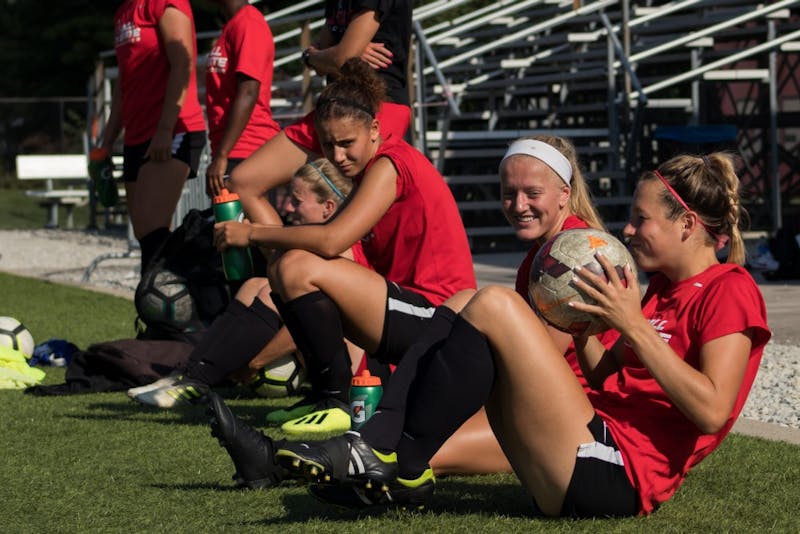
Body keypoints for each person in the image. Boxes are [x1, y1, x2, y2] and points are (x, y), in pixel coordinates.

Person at [270, 151, 770, 517]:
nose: (630, 230)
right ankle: (381, 451)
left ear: (686, 223)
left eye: (642, 219)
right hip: (584, 443)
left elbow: (710, 411)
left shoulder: (731, 289)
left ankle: (389, 454)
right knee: (471, 302)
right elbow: (601, 373)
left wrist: (632, 324)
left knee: (495, 303)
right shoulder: (659, 288)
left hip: (616, 473)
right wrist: (582, 323)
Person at [204, 134, 619, 488]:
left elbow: (537, 360)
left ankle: (273, 456)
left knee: (415, 448)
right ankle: (277, 456)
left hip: (565, 420)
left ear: (564, 194)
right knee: (404, 429)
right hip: (526, 403)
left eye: (532, 193)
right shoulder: (546, 250)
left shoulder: (576, 252)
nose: (518, 204)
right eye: (509, 193)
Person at [213, 58, 476, 436]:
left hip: (441, 317)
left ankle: (336, 400)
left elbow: (333, 238)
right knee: (286, 266)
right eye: (328, 144)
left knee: (296, 267)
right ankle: (328, 396)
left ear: (374, 129)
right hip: (408, 307)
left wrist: (252, 234)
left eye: (346, 143)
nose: (337, 156)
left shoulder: (391, 163)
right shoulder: (370, 170)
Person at [127, 159, 365, 410]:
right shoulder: (321, 241)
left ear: (328, 207)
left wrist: (254, 363)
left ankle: (197, 379)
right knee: (255, 284)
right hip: (331, 355)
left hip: (357, 369)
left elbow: (313, 325)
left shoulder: (342, 248)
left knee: (270, 291)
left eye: (297, 201)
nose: (288, 207)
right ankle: (190, 375)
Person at [227, 0, 412, 230]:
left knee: (356, 224)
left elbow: (340, 57)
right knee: (242, 181)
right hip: (334, 110)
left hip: (379, 107)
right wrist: (328, 54)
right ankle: (282, 261)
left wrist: (321, 55)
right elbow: (333, 53)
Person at [99, 0, 207, 273]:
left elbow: (182, 64)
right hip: (136, 136)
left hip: (172, 130)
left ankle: (182, 301)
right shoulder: (123, 11)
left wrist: (164, 130)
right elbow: (125, 85)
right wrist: (107, 143)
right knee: (147, 234)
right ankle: (171, 307)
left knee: (152, 232)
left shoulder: (165, 3)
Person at [204, 0, 281, 198]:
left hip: (247, 150)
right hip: (233, 150)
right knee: (228, 227)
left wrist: (222, 156)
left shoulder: (249, 22)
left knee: (244, 228)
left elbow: (249, 91)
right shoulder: (234, 24)